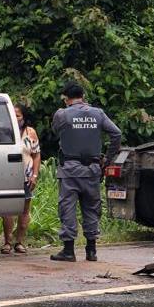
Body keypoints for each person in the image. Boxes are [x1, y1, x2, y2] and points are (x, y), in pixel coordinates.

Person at [50, 82, 122, 262]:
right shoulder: (98, 114)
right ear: (83, 96)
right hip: (92, 169)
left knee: (67, 208)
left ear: (66, 98)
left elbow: (55, 131)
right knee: (91, 208)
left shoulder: (62, 114)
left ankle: (68, 251)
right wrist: (108, 159)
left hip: (70, 171)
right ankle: (91, 251)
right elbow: (116, 134)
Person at [2, 104, 41, 255]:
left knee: (24, 210)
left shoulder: (30, 132)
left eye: (18, 115)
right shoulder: (4, 132)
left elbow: (36, 154)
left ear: (24, 117)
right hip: (8, 176)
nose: (15, 118)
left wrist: (35, 175)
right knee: (7, 210)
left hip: (27, 176)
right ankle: (7, 242)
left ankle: (20, 242)